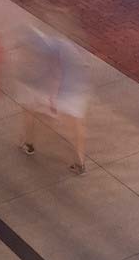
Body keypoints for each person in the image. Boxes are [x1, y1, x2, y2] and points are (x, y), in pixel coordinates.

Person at [17, 21, 90, 173]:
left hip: (63, 92)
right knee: (77, 126)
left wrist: (52, 97)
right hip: (78, 90)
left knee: (30, 109)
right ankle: (80, 163)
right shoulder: (73, 47)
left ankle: (29, 144)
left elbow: (53, 71)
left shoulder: (51, 46)